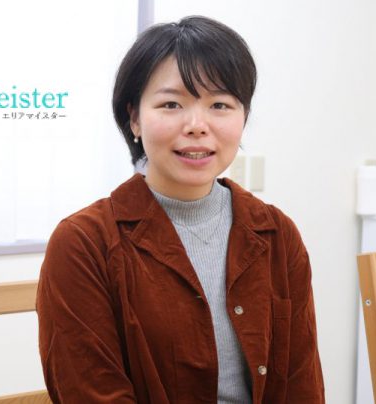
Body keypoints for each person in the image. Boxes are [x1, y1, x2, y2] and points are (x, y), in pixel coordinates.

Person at [36, 15, 324, 403]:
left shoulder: (276, 233)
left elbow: (301, 386)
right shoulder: (84, 243)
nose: (197, 125)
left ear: (243, 117)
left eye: (220, 104)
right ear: (134, 118)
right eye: (171, 104)